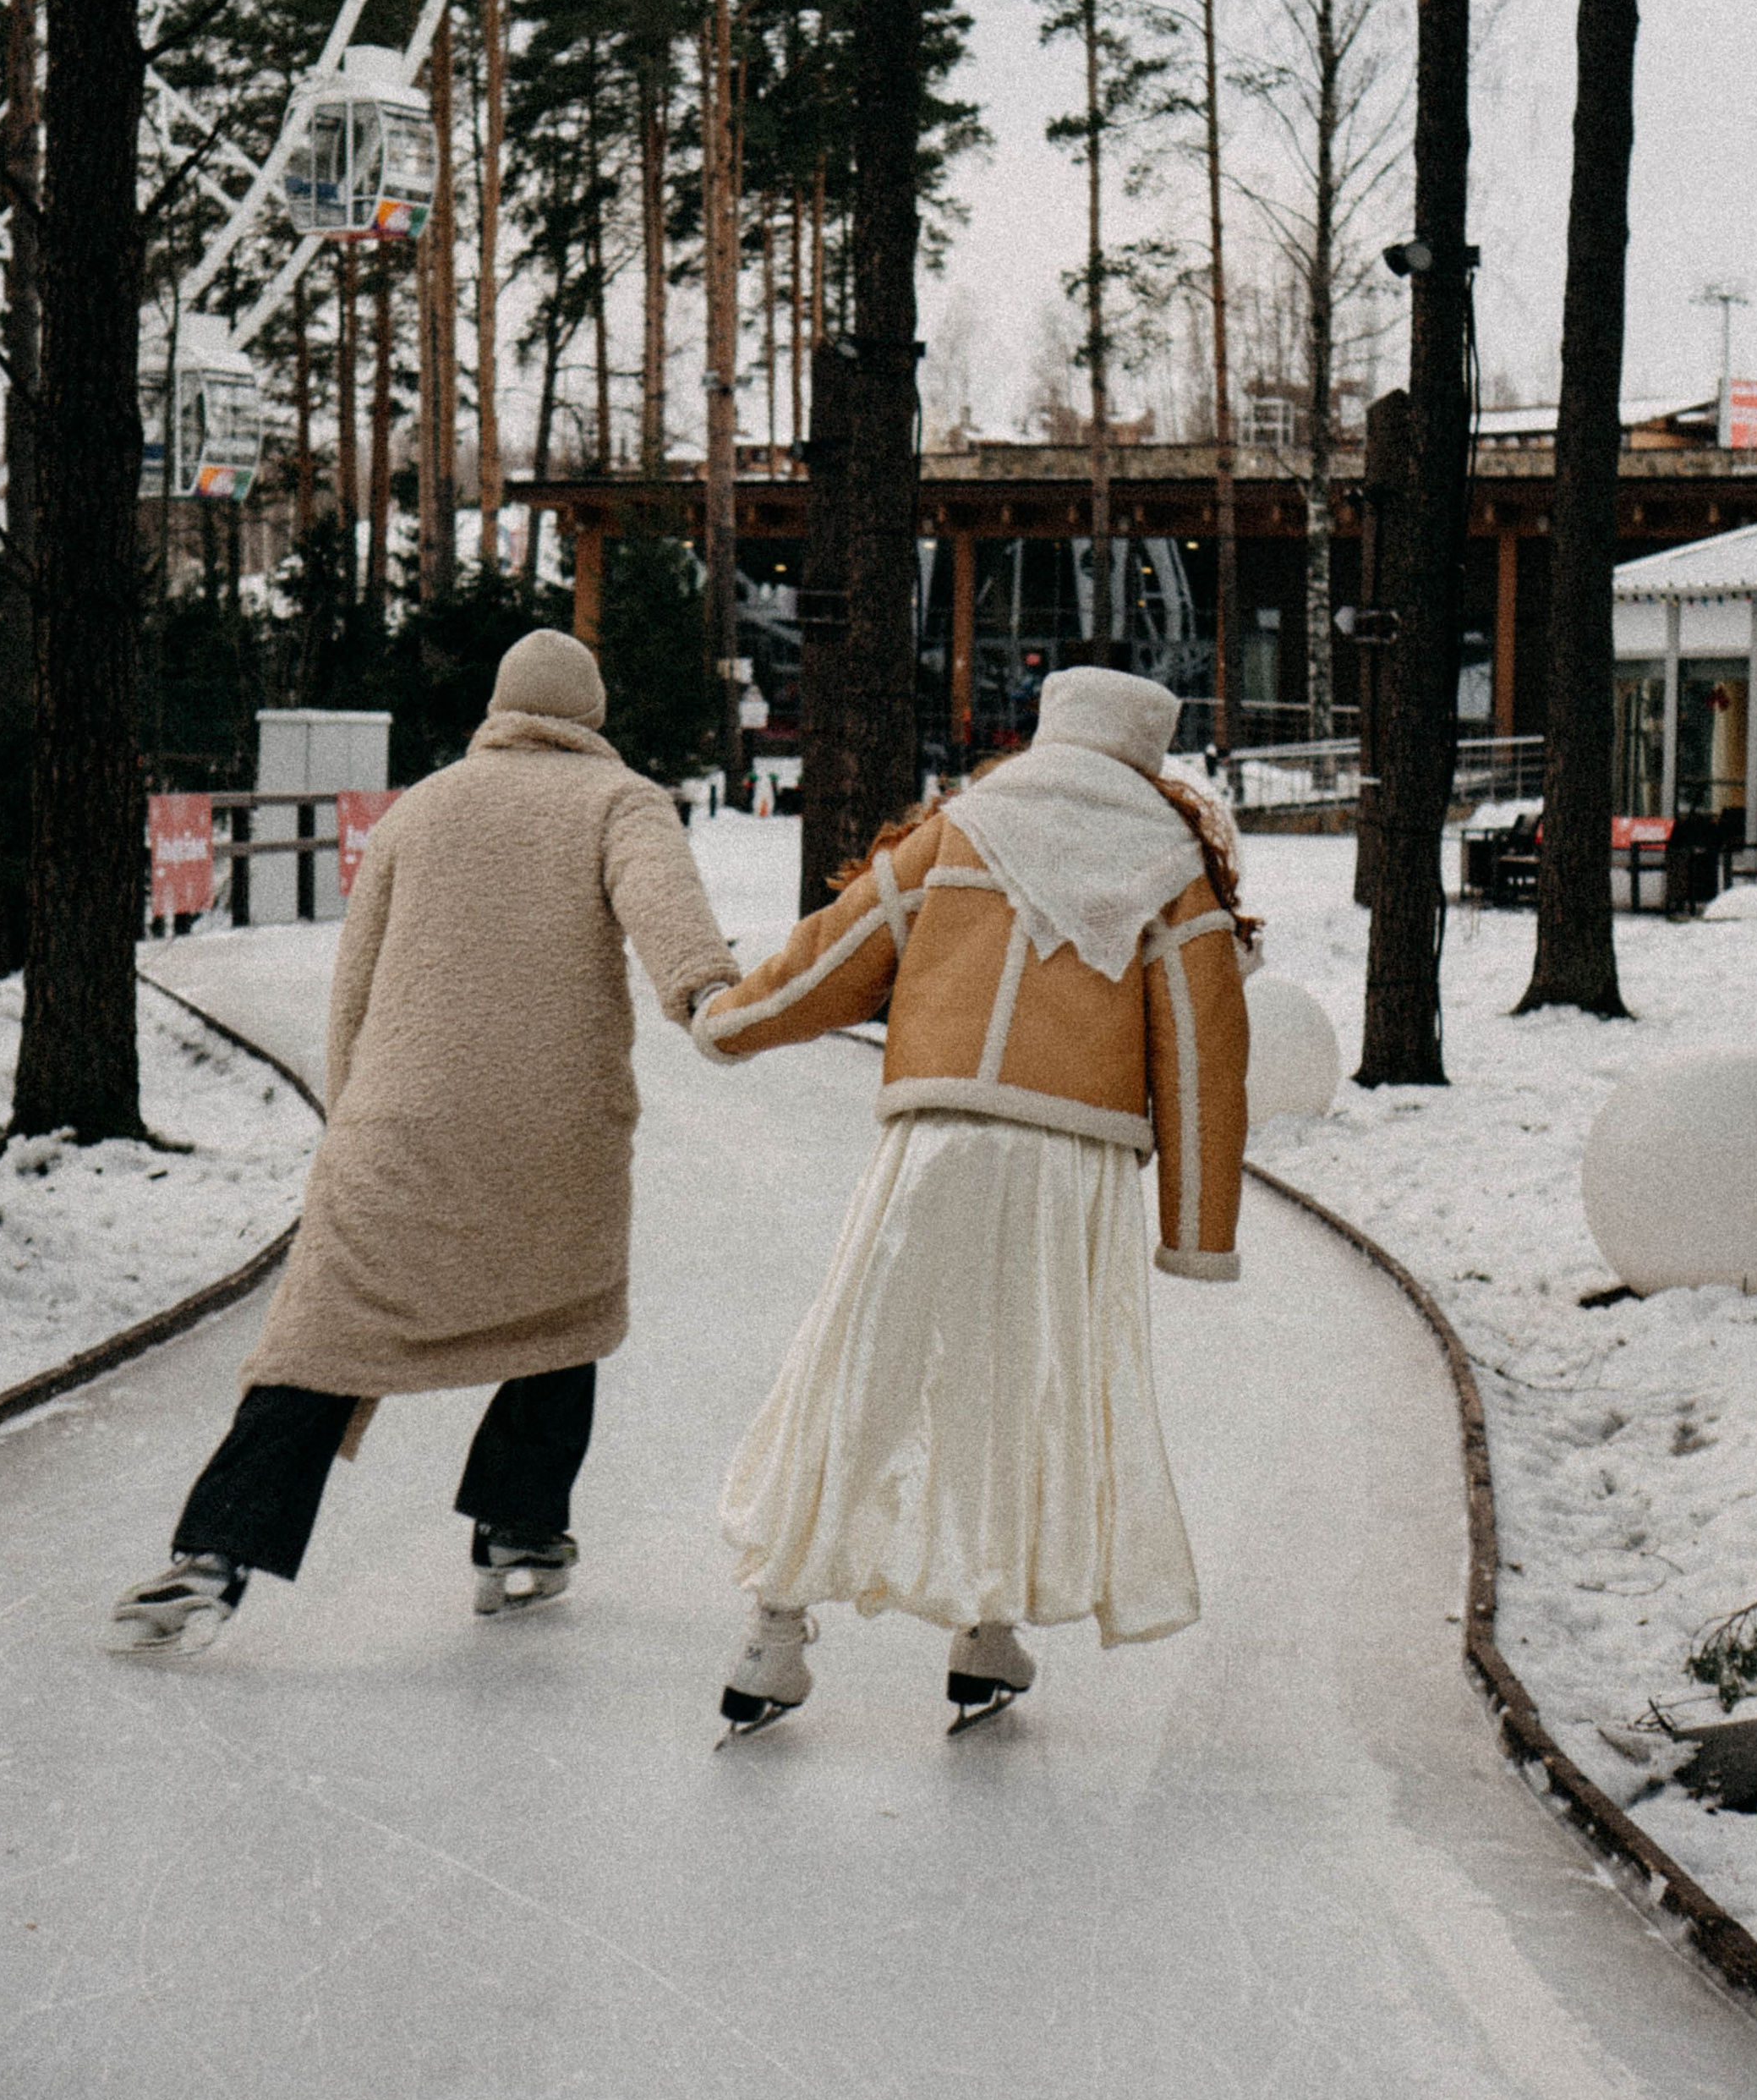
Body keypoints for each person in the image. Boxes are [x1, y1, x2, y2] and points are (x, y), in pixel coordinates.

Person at [112, 629, 738, 1653]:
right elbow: (666, 911)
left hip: (395, 1122)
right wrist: (706, 992)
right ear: (590, 713)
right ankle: (519, 1533)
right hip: (554, 1127)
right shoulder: (621, 802)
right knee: (561, 1314)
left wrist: (350, 1116)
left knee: (323, 1336)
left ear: (500, 705)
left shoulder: (422, 807)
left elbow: (355, 983)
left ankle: (213, 1553)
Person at [693, 665, 1257, 1738]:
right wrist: (1196, 1233)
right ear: (1148, 750)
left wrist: (727, 1022)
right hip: (1071, 1169)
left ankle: (774, 1634)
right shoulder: (1174, 870)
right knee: (1024, 1390)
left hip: (936, 1142)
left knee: (860, 1371)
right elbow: (1203, 1057)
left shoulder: (958, 830)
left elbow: (834, 959)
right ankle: (984, 1632)